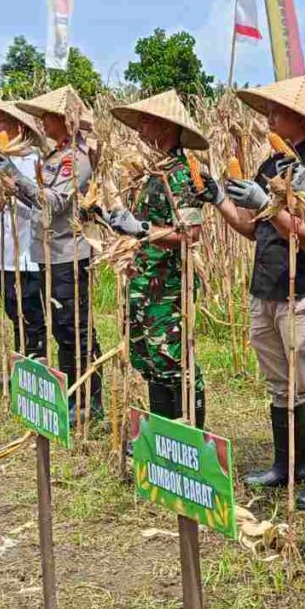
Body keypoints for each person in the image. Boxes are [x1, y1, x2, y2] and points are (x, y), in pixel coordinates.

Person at [204, 75, 305, 510]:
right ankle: (288, 465)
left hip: (300, 290)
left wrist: (271, 201)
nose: (269, 118)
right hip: (265, 286)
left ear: (300, 119)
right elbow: (252, 228)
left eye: (277, 112)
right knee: (278, 384)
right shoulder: (270, 166)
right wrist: (220, 200)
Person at [110, 90, 207, 427]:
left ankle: (190, 439)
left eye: (146, 122)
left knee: (173, 361)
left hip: (168, 289)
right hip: (144, 284)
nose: (140, 131)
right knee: (149, 359)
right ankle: (163, 440)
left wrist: (143, 230)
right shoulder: (153, 172)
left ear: (166, 127)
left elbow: (190, 234)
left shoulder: (183, 173)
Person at [6, 86, 102, 423]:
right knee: (61, 328)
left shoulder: (76, 160)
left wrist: (17, 176)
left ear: (64, 120)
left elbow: (56, 202)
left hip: (69, 253)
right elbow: (39, 202)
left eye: (47, 116)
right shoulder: (52, 157)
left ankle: (90, 399)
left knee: (74, 326)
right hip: (47, 253)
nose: (41, 122)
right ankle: (72, 393)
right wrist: (12, 186)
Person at [0, 100, 47, 360]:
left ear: (18, 127)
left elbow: (38, 200)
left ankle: (35, 365)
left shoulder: (35, 160)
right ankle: (20, 362)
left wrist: (8, 174)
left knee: (30, 311)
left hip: (25, 249)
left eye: (1, 122)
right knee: (11, 308)